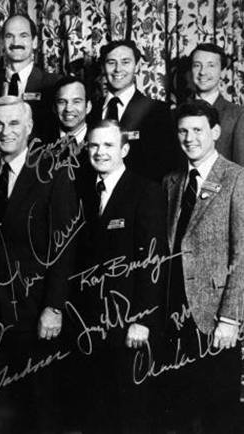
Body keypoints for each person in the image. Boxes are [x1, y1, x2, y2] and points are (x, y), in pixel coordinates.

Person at [0, 96, 77, 432]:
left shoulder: (52, 174)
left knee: (42, 409)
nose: (6, 132)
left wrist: (54, 307)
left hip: (38, 313)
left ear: (29, 127)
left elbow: (64, 247)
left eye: (14, 124)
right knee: (5, 411)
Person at [71, 119, 168, 433]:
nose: (100, 152)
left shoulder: (146, 191)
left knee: (129, 416)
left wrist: (142, 319)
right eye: (94, 145)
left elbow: (154, 261)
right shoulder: (81, 190)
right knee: (93, 414)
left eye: (109, 145)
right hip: (88, 326)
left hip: (128, 325)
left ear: (124, 149)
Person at [162, 100, 244, 433]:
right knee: (179, 412)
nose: (189, 138)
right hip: (173, 314)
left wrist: (230, 317)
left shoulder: (236, 178)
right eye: (183, 131)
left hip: (214, 317)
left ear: (215, 132)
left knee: (219, 416)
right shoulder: (171, 181)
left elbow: (243, 252)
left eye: (197, 130)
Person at [89, 40, 180, 182]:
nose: (118, 69)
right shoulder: (89, 110)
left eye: (125, 62)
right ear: (102, 67)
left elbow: (168, 165)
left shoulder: (157, 111)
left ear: (137, 66)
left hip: (139, 198)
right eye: (111, 62)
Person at [0, 14, 61, 139]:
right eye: (9, 36)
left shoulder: (54, 84)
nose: (16, 42)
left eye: (23, 36)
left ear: (34, 42)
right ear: (2, 43)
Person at [190, 43, 244, 165]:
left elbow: (241, 171)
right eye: (197, 65)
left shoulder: (238, 115)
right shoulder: (174, 114)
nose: (203, 72)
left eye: (211, 65)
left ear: (223, 72)